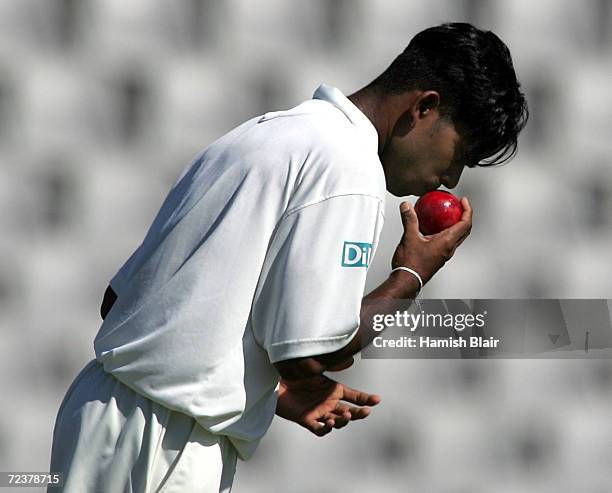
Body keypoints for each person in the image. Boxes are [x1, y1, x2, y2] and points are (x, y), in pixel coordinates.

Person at [48, 22, 528, 493]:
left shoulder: (262, 133)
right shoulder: (347, 166)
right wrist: (411, 274)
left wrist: (267, 388)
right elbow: (316, 352)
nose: (453, 179)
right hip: (167, 444)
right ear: (424, 107)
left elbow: (120, 301)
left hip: (99, 415)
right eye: (460, 152)